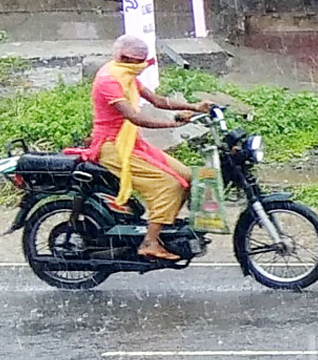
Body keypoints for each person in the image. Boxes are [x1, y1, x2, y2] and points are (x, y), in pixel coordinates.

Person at [68, 35, 212, 261]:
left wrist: (195, 106)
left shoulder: (126, 75)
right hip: (112, 146)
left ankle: (162, 224)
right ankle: (149, 242)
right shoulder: (110, 80)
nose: (142, 66)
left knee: (187, 175)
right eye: (139, 62)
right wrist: (173, 123)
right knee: (170, 185)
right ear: (125, 58)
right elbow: (135, 118)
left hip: (131, 142)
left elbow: (158, 101)